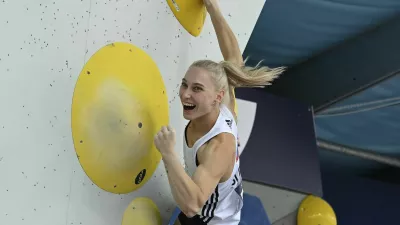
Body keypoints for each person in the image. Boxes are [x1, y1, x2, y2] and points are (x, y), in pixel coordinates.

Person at [153, 0, 285, 224]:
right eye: (185, 84)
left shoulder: (217, 147)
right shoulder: (224, 104)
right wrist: (212, 6)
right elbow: (234, 59)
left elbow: (192, 205)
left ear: (216, 96)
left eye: (197, 89)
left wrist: (168, 154)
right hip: (215, 201)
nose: (185, 94)